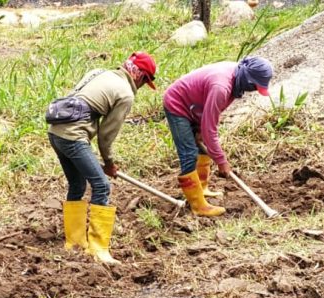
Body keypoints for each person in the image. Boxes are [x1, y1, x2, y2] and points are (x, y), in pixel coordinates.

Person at [48, 51, 157, 264]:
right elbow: (106, 136)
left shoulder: (99, 72)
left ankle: (75, 243)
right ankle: (98, 249)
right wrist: (109, 163)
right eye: (145, 82)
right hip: (73, 136)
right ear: (141, 76)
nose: (143, 86)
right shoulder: (125, 94)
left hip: (55, 132)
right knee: (102, 186)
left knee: (77, 185)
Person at [163, 56, 273, 217]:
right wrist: (222, 162)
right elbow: (210, 130)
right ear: (248, 79)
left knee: (204, 147)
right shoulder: (221, 87)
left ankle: (202, 188)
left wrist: (200, 129)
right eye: (255, 86)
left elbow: (210, 117)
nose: (254, 90)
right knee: (189, 154)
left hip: (195, 104)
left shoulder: (236, 78)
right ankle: (198, 206)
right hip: (177, 104)